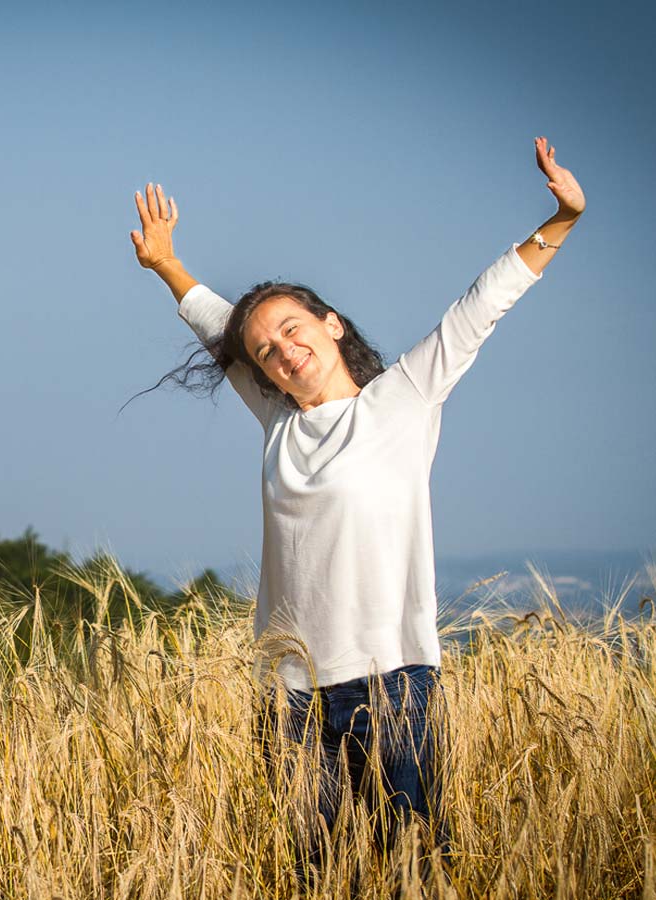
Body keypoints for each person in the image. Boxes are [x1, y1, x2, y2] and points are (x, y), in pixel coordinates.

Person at [129, 137, 585, 882]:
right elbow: (219, 328)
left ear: (331, 324)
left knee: (412, 870)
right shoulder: (278, 422)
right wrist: (167, 265)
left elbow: (481, 307)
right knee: (318, 877)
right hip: (292, 695)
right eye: (266, 350)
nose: (281, 350)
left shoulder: (400, 402)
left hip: (392, 683)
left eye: (292, 330)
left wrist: (560, 219)